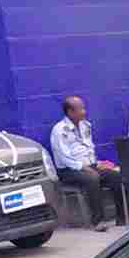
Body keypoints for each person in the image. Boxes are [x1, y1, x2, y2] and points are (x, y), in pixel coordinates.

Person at [49, 94, 115, 230]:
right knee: (92, 178)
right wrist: (83, 167)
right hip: (68, 170)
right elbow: (63, 157)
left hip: (88, 166)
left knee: (114, 175)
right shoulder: (59, 130)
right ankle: (97, 221)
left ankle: (123, 217)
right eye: (81, 109)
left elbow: (88, 148)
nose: (84, 111)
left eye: (84, 108)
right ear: (70, 112)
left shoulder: (85, 125)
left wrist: (96, 163)